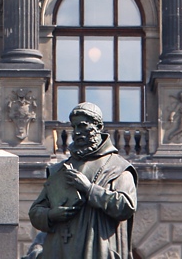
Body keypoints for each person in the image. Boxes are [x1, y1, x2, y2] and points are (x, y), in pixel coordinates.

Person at [29, 102, 137, 259]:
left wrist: (89, 189)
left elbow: (126, 206)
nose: (77, 132)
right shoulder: (61, 169)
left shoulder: (118, 167)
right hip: (60, 249)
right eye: (74, 127)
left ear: (98, 126)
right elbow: (35, 212)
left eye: (82, 126)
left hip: (97, 249)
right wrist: (52, 215)